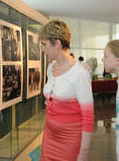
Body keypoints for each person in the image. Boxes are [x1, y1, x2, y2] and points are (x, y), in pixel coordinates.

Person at [39, 20, 94, 161]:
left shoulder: (80, 73)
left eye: (44, 44)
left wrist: (84, 153)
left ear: (57, 43)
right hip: (49, 136)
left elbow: (88, 117)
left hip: (70, 140)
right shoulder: (50, 68)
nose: (42, 49)